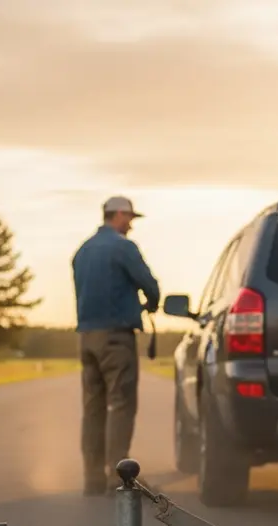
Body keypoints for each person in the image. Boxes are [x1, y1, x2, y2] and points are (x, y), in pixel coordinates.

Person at [71, 195, 161, 495]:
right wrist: (151, 303)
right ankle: (118, 477)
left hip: (86, 338)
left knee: (93, 408)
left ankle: (92, 478)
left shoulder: (81, 251)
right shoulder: (123, 247)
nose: (131, 224)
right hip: (116, 338)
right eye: (130, 218)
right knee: (121, 405)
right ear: (118, 214)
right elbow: (149, 283)